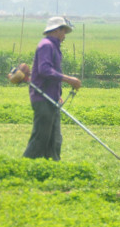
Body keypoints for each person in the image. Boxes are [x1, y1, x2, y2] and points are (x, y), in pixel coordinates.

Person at [23, 16, 81, 161]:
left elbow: (52, 74)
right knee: (41, 137)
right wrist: (69, 79)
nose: (65, 35)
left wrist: (57, 94)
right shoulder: (46, 45)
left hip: (51, 97)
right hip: (42, 98)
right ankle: (24, 166)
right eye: (64, 31)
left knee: (55, 138)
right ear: (56, 30)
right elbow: (44, 70)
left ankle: (53, 166)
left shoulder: (54, 46)